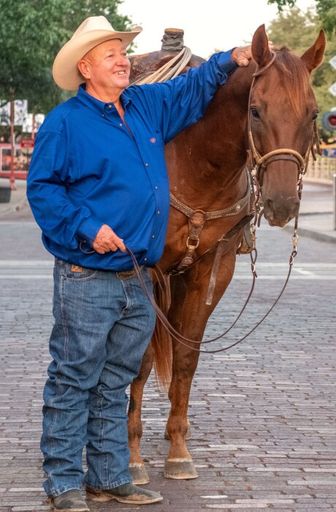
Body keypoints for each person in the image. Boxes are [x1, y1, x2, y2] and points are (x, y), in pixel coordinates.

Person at [27, 15, 252, 512]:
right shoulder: (66, 122)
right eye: (112, 54)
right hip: (87, 274)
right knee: (73, 378)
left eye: (123, 52)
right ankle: (64, 483)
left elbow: (193, 89)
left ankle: (109, 476)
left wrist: (227, 60)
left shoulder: (144, 105)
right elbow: (41, 190)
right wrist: (88, 228)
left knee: (114, 382)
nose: (124, 59)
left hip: (138, 278)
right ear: (87, 67)